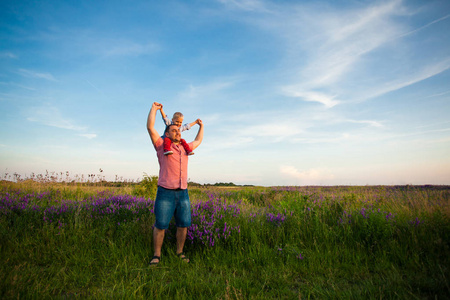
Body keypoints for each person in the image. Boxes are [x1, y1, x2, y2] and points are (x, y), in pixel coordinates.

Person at [146, 102, 204, 266]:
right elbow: (150, 127)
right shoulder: (161, 146)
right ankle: (156, 255)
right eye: (174, 130)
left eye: (179, 130)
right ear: (167, 133)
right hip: (165, 193)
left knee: (183, 225)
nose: (178, 131)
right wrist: (154, 109)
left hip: (183, 193)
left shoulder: (185, 148)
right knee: (161, 225)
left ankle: (179, 252)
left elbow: (198, 140)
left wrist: (201, 126)